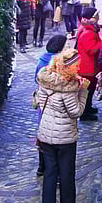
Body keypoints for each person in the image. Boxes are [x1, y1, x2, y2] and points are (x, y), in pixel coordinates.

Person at [37, 49, 88, 203]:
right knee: (66, 172)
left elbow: (38, 102)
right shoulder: (68, 88)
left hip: (45, 134)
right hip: (65, 136)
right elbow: (76, 112)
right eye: (76, 66)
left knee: (50, 172)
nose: (78, 68)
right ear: (67, 67)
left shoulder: (45, 78)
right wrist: (83, 91)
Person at [34, 34, 67, 176]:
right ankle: (54, 170)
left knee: (44, 134)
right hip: (55, 106)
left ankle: (42, 166)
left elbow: (36, 79)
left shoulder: (42, 60)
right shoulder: (58, 65)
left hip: (44, 105)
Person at [76, 6, 102, 122]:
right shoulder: (88, 33)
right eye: (97, 16)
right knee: (87, 91)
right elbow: (91, 50)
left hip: (88, 66)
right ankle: (85, 113)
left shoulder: (87, 29)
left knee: (89, 90)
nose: (99, 18)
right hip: (88, 68)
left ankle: (88, 108)